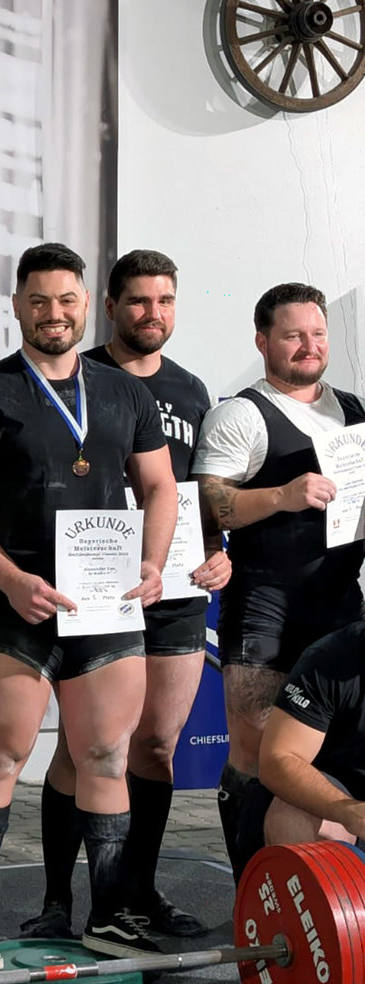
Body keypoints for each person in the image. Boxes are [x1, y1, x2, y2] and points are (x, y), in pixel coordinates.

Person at [0, 243, 178, 971]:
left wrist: (154, 562)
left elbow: (161, 487)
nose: (53, 314)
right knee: (2, 755)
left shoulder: (124, 392)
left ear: (85, 304)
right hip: (18, 604)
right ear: (16, 306)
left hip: (106, 601)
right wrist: (8, 578)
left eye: (66, 300)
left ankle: (106, 918)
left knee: (105, 754)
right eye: (38, 301)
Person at [22, 250, 230, 940]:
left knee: (157, 747)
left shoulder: (193, 391)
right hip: (96, 585)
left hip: (171, 587)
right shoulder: (79, 378)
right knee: (83, 747)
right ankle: (57, 900)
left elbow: (199, 493)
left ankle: (135, 894)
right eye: (139, 301)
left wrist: (216, 554)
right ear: (107, 306)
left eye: (165, 301)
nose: (153, 314)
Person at [193, 283, 365, 880]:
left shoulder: (353, 411)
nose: (308, 346)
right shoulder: (240, 414)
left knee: (327, 755)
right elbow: (209, 504)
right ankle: (251, 888)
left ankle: (318, 889)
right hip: (265, 607)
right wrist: (284, 496)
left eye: (317, 334)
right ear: (263, 340)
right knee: (254, 750)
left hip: (342, 602)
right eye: (293, 335)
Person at [258, 621, 365, 848]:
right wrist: (347, 810)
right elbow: (279, 759)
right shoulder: (330, 658)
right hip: (345, 809)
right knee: (290, 816)